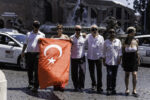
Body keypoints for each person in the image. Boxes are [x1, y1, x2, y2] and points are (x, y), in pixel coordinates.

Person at [21, 20, 45, 92]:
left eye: (38, 26)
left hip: (37, 54)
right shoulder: (28, 34)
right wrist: (23, 51)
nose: (36, 28)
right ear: (33, 26)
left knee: (37, 70)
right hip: (29, 54)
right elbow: (25, 43)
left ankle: (36, 85)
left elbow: (44, 45)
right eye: (35, 26)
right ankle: (30, 83)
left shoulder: (42, 35)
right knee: (30, 70)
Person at [51, 24, 70, 91]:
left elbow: (70, 42)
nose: (59, 30)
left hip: (63, 57)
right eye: (58, 29)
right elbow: (49, 44)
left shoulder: (65, 37)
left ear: (62, 30)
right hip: (56, 57)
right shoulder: (53, 37)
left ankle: (62, 85)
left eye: (61, 29)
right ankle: (56, 84)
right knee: (55, 72)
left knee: (63, 71)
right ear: (57, 30)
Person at [85, 25, 104, 93]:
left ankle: (99, 86)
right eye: (93, 29)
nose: (94, 30)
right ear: (90, 30)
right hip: (90, 56)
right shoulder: (88, 36)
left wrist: (102, 56)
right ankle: (93, 84)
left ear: (97, 30)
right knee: (91, 72)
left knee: (99, 72)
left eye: (95, 29)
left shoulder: (101, 37)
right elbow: (84, 43)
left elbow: (102, 47)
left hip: (98, 57)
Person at [122, 26, 140, 97]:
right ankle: (127, 89)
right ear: (129, 33)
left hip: (134, 58)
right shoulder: (124, 41)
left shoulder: (136, 41)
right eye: (131, 31)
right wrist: (122, 60)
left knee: (134, 74)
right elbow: (123, 51)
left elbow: (137, 51)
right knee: (127, 74)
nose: (133, 33)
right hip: (127, 58)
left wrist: (138, 59)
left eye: (133, 31)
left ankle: (134, 89)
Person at [103, 29, 122, 95]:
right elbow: (104, 52)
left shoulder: (118, 41)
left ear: (115, 33)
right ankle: (108, 89)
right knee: (109, 75)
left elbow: (120, 51)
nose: (112, 33)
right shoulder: (106, 42)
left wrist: (120, 59)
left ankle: (113, 88)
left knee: (114, 76)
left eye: (113, 32)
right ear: (109, 33)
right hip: (108, 61)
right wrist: (103, 60)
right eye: (110, 32)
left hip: (116, 61)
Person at [70, 25, 86, 92]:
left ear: (81, 30)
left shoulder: (84, 37)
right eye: (76, 29)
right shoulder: (71, 37)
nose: (78, 31)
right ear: (75, 30)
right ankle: (75, 86)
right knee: (74, 73)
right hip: (73, 57)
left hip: (82, 57)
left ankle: (81, 86)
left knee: (82, 72)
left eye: (79, 29)